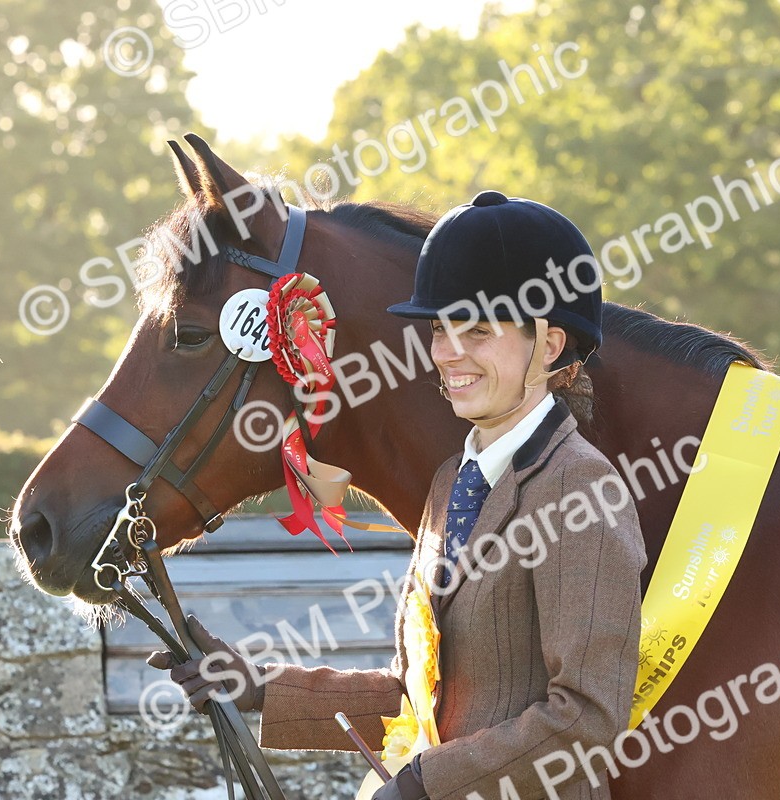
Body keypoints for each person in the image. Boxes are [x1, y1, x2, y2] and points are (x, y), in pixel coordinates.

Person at [149, 190, 646, 800]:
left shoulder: (577, 484)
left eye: (480, 331)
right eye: (441, 329)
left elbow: (587, 721)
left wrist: (423, 783)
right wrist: (256, 687)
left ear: (548, 346)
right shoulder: (451, 484)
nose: (450, 354)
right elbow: (418, 697)